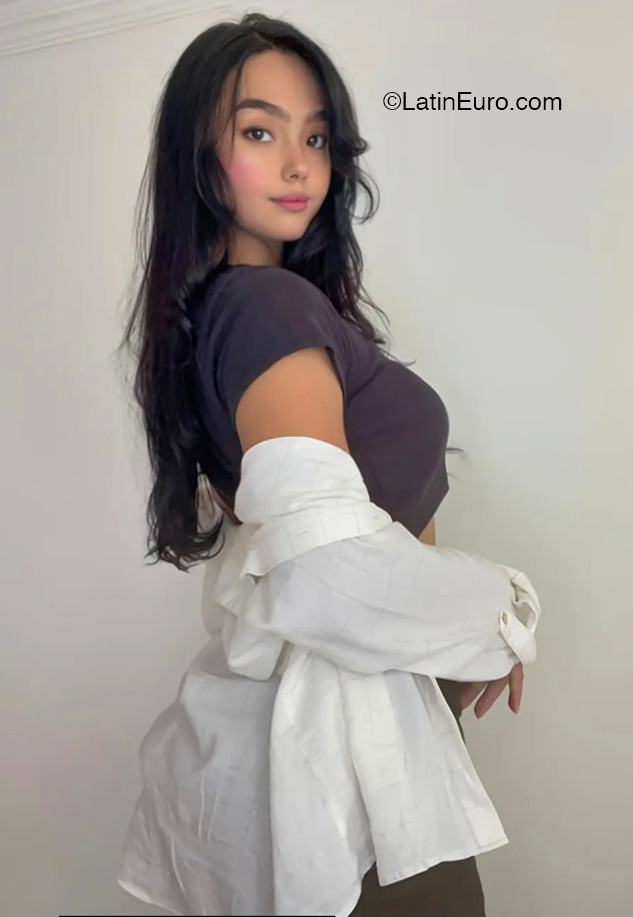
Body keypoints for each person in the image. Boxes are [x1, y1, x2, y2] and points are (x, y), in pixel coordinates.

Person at [115, 12, 529, 916]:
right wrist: (502, 608)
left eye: (315, 138)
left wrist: (453, 634)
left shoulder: (237, 312)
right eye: (259, 133)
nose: (299, 164)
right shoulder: (265, 308)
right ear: (198, 155)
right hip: (349, 753)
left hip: (359, 723)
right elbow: (326, 574)